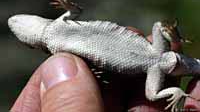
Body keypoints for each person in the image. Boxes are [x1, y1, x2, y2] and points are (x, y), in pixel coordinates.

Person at [10, 28, 200, 112]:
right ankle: (176, 88)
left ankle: (175, 91)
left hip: (156, 65)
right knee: (158, 26)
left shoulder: (59, 46)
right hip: (157, 55)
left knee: (152, 96)